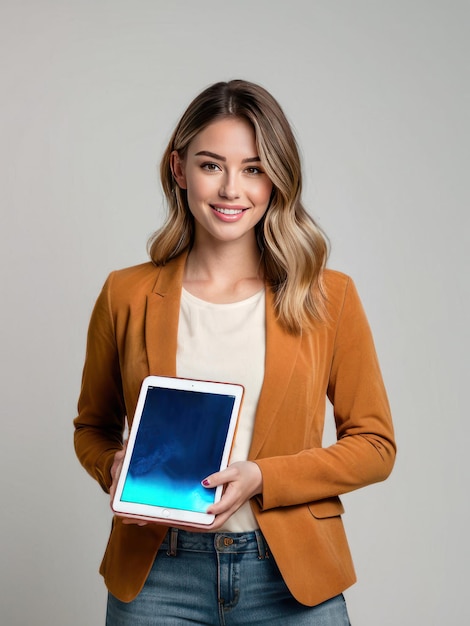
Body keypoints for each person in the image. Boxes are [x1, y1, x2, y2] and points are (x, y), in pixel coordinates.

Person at [74, 79, 396, 625]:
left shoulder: (326, 295)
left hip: (290, 577)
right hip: (158, 578)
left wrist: (263, 477)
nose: (231, 189)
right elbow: (92, 428)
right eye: (210, 165)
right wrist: (113, 466)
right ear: (179, 170)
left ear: (276, 179)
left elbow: (375, 444)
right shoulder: (125, 293)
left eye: (253, 168)